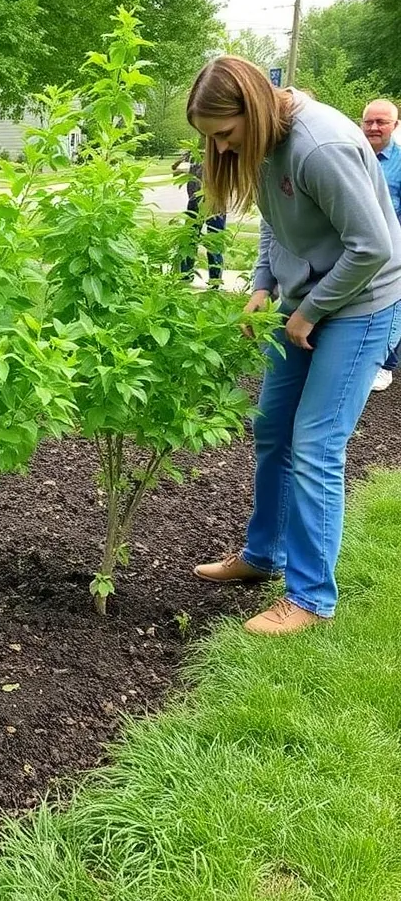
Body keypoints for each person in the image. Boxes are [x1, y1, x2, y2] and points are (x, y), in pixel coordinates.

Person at [187, 59, 401, 635]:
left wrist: (308, 311)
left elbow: (373, 246)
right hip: (306, 298)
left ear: (252, 110)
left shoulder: (320, 145)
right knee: (273, 429)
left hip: (362, 305)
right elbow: (274, 223)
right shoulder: (261, 143)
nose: (221, 149)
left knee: (315, 445)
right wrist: (262, 283)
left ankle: (310, 597)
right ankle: (263, 557)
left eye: (224, 133)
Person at [360, 98, 401, 390]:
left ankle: (386, 365)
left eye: (381, 122)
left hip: (392, 251)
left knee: (394, 304)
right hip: (356, 249)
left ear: (395, 126)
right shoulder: (352, 153)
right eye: (369, 121)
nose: (373, 127)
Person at [172, 148, 227, 286]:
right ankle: (185, 275)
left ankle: (215, 279)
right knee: (189, 238)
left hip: (215, 201)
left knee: (214, 240)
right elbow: (174, 169)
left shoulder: (221, 152)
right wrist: (186, 158)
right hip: (195, 200)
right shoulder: (193, 153)